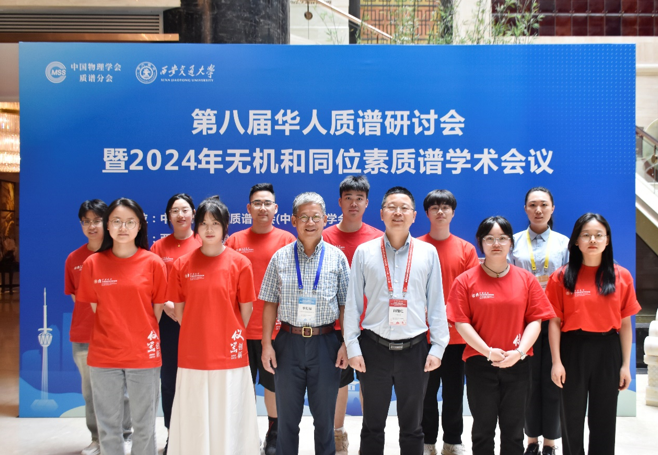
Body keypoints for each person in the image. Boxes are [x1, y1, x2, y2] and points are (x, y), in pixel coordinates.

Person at [344, 186, 449, 455]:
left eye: (404, 208)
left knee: (413, 427)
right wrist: (353, 347)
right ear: (381, 214)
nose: (398, 213)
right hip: (373, 349)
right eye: (392, 207)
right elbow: (353, 304)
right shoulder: (364, 252)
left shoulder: (428, 253)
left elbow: (436, 304)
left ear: (414, 215)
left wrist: (438, 347)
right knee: (372, 426)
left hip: (415, 350)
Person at [447, 216, 555, 455]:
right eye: (489, 238)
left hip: (518, 364)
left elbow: (535, 321)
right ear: (480, 242)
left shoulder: (526, 279)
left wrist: (519, 352)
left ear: (510, 242)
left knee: (514, 431)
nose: (496, 244)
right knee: (483, 430)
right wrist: (487, 351)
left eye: (502, 238)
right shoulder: (465, 281)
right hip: (479, 363)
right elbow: (461, 322)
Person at [166, 196, 259, 455]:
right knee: (194, 411)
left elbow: (246, 309)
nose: (209, 229)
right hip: (193, 352)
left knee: (229, 410)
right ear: (196, 226)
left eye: (215, 223)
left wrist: (229, 332)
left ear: (225, 227)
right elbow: (180, 310)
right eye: (204, 223)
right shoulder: (182, 264)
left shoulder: (240, 263)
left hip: (229, 353)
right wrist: (198, 332)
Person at [259, 192, 350, 455]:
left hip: (326, 343)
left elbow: (346, 305)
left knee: (324, 420)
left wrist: (346, 344)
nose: (310, 222)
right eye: (304, 217)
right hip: (288, 342)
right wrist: (267, 344)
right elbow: (269, 303)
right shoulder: (280, 257)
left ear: (325, 219)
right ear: (293, 220)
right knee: (287, 419)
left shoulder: (337, 258)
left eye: (316, 217)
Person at [77, 198, 167, 455]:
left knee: (144, 426)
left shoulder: (153, 263)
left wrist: (137, 331)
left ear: (140, 226)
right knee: (108, 427)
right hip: (104, 355)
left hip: (143, 355)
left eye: (130, 222)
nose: (123, 227)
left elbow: (156, 311)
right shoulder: (93, 264)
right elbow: (97, 309)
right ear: (108, 225)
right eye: (116, 221)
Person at [547, 213, 641, 455]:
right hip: (572, 349)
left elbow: (626, 324)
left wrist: (625, 366)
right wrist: (556, 362)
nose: (592, 240)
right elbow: (554, 323)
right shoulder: (561, 277)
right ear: (576, 241)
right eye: (586, 235)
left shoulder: (621, 276)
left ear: (607, 240)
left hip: (608, 350)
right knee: (571, 415)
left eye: (599, 235)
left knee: (604, 417)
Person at [224, 183, 296, 454]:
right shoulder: (234, 241)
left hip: (276, 331)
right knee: (239, 386)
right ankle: (241, 435)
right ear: (248, 208)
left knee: (273, 385)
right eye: (257, 203)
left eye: (267, 203)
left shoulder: (287, 240)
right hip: (239, 330)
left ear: (275, 208)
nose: (262, 208)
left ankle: (274, 433)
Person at [64, 199, 132, 455]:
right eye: (86, 221)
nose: (92, 226)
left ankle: (124, 435)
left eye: (97, 220)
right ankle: (97, 438)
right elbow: (78, 298)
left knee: (121, 391)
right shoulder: (74, 259)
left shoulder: (120, 254)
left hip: (117, 335)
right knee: (91, 392)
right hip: (84, 335)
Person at [322, 175, 383, 455]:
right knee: (339, 381)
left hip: (371, 324)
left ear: (367, 203)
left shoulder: (378, 238)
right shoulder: (325, 237)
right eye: (348, 198)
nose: (354, 203)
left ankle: (370, 437)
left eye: (359, 198)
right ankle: (337, 433)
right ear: (340, 202)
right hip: (334, 324)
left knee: (372, 385)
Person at [418, 190, 480, 455]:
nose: (440, 211)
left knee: (454, 392)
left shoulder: (466, 249)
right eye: (434, 207)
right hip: (422, 335)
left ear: (453, 213)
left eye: (445, 207)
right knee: (425, 392)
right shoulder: (416, 246)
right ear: (426, 213)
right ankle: (427, 441)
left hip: (456, 336)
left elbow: (472, 291)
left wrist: (450, 312)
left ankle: (453, 441)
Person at [508, 187, 570, 455]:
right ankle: (531, 439)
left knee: (555, 380)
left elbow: (570, 281)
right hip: (524, 321)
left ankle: (550, 442)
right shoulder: (513, 242)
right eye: (533, 205)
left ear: (552, 208)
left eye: (544, 204)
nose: (538, 210)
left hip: (556, 321)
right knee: (528, 382)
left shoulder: (565, 243)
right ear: (525, 209)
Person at [149, 193, 201, 455]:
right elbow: (151, 284)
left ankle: (197, 435)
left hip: (200, 322)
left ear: (193, 213)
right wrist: (167, 305)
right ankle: (174, 434)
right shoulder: (158, 247)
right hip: (168, 322)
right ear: (168, 216)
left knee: (198, 380)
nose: (181, 215)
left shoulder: (204, 242)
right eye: (175, 210)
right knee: (169, 380)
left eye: (185, 209)